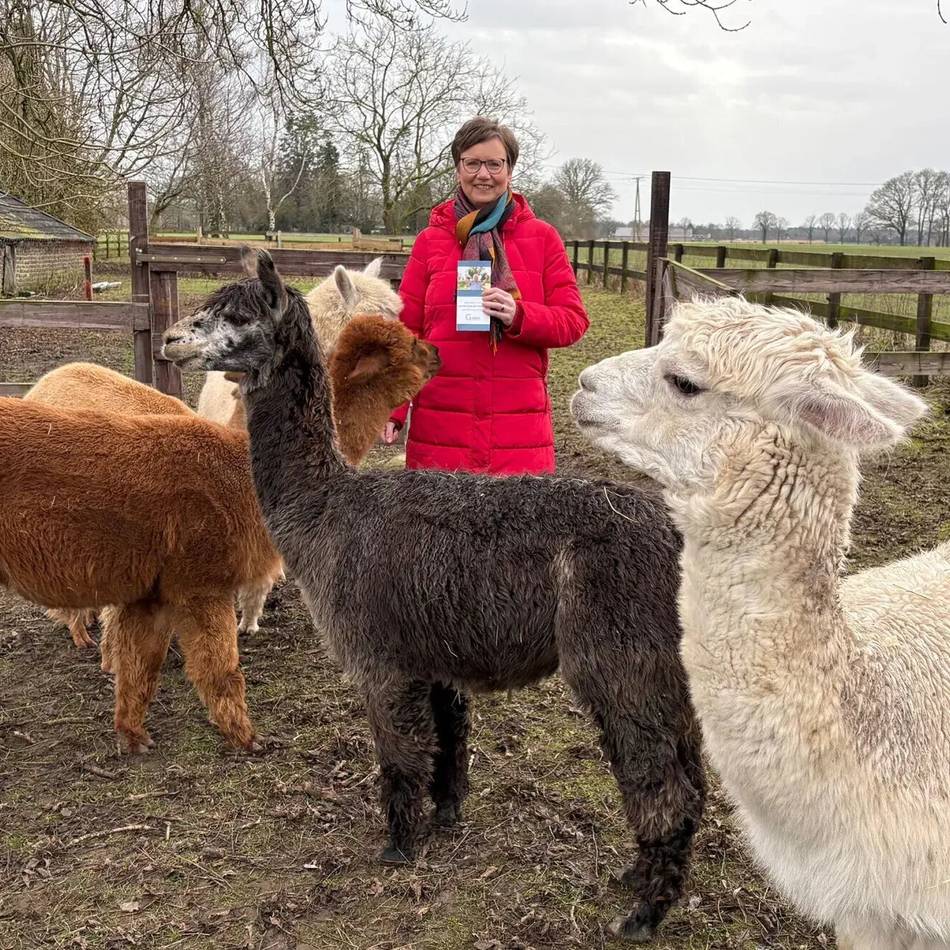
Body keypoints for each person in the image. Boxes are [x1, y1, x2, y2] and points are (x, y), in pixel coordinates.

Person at [383, 117, 589, 475]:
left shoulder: (542, 238)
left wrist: (519, 315)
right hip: (441, 431)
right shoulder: (431, 242)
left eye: (494, 164)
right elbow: (406, 332)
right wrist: (394, 407)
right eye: (472, 163)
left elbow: (573, 321)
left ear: (509, 169)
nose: (483, 174)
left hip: (518, 436)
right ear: (457, 167)